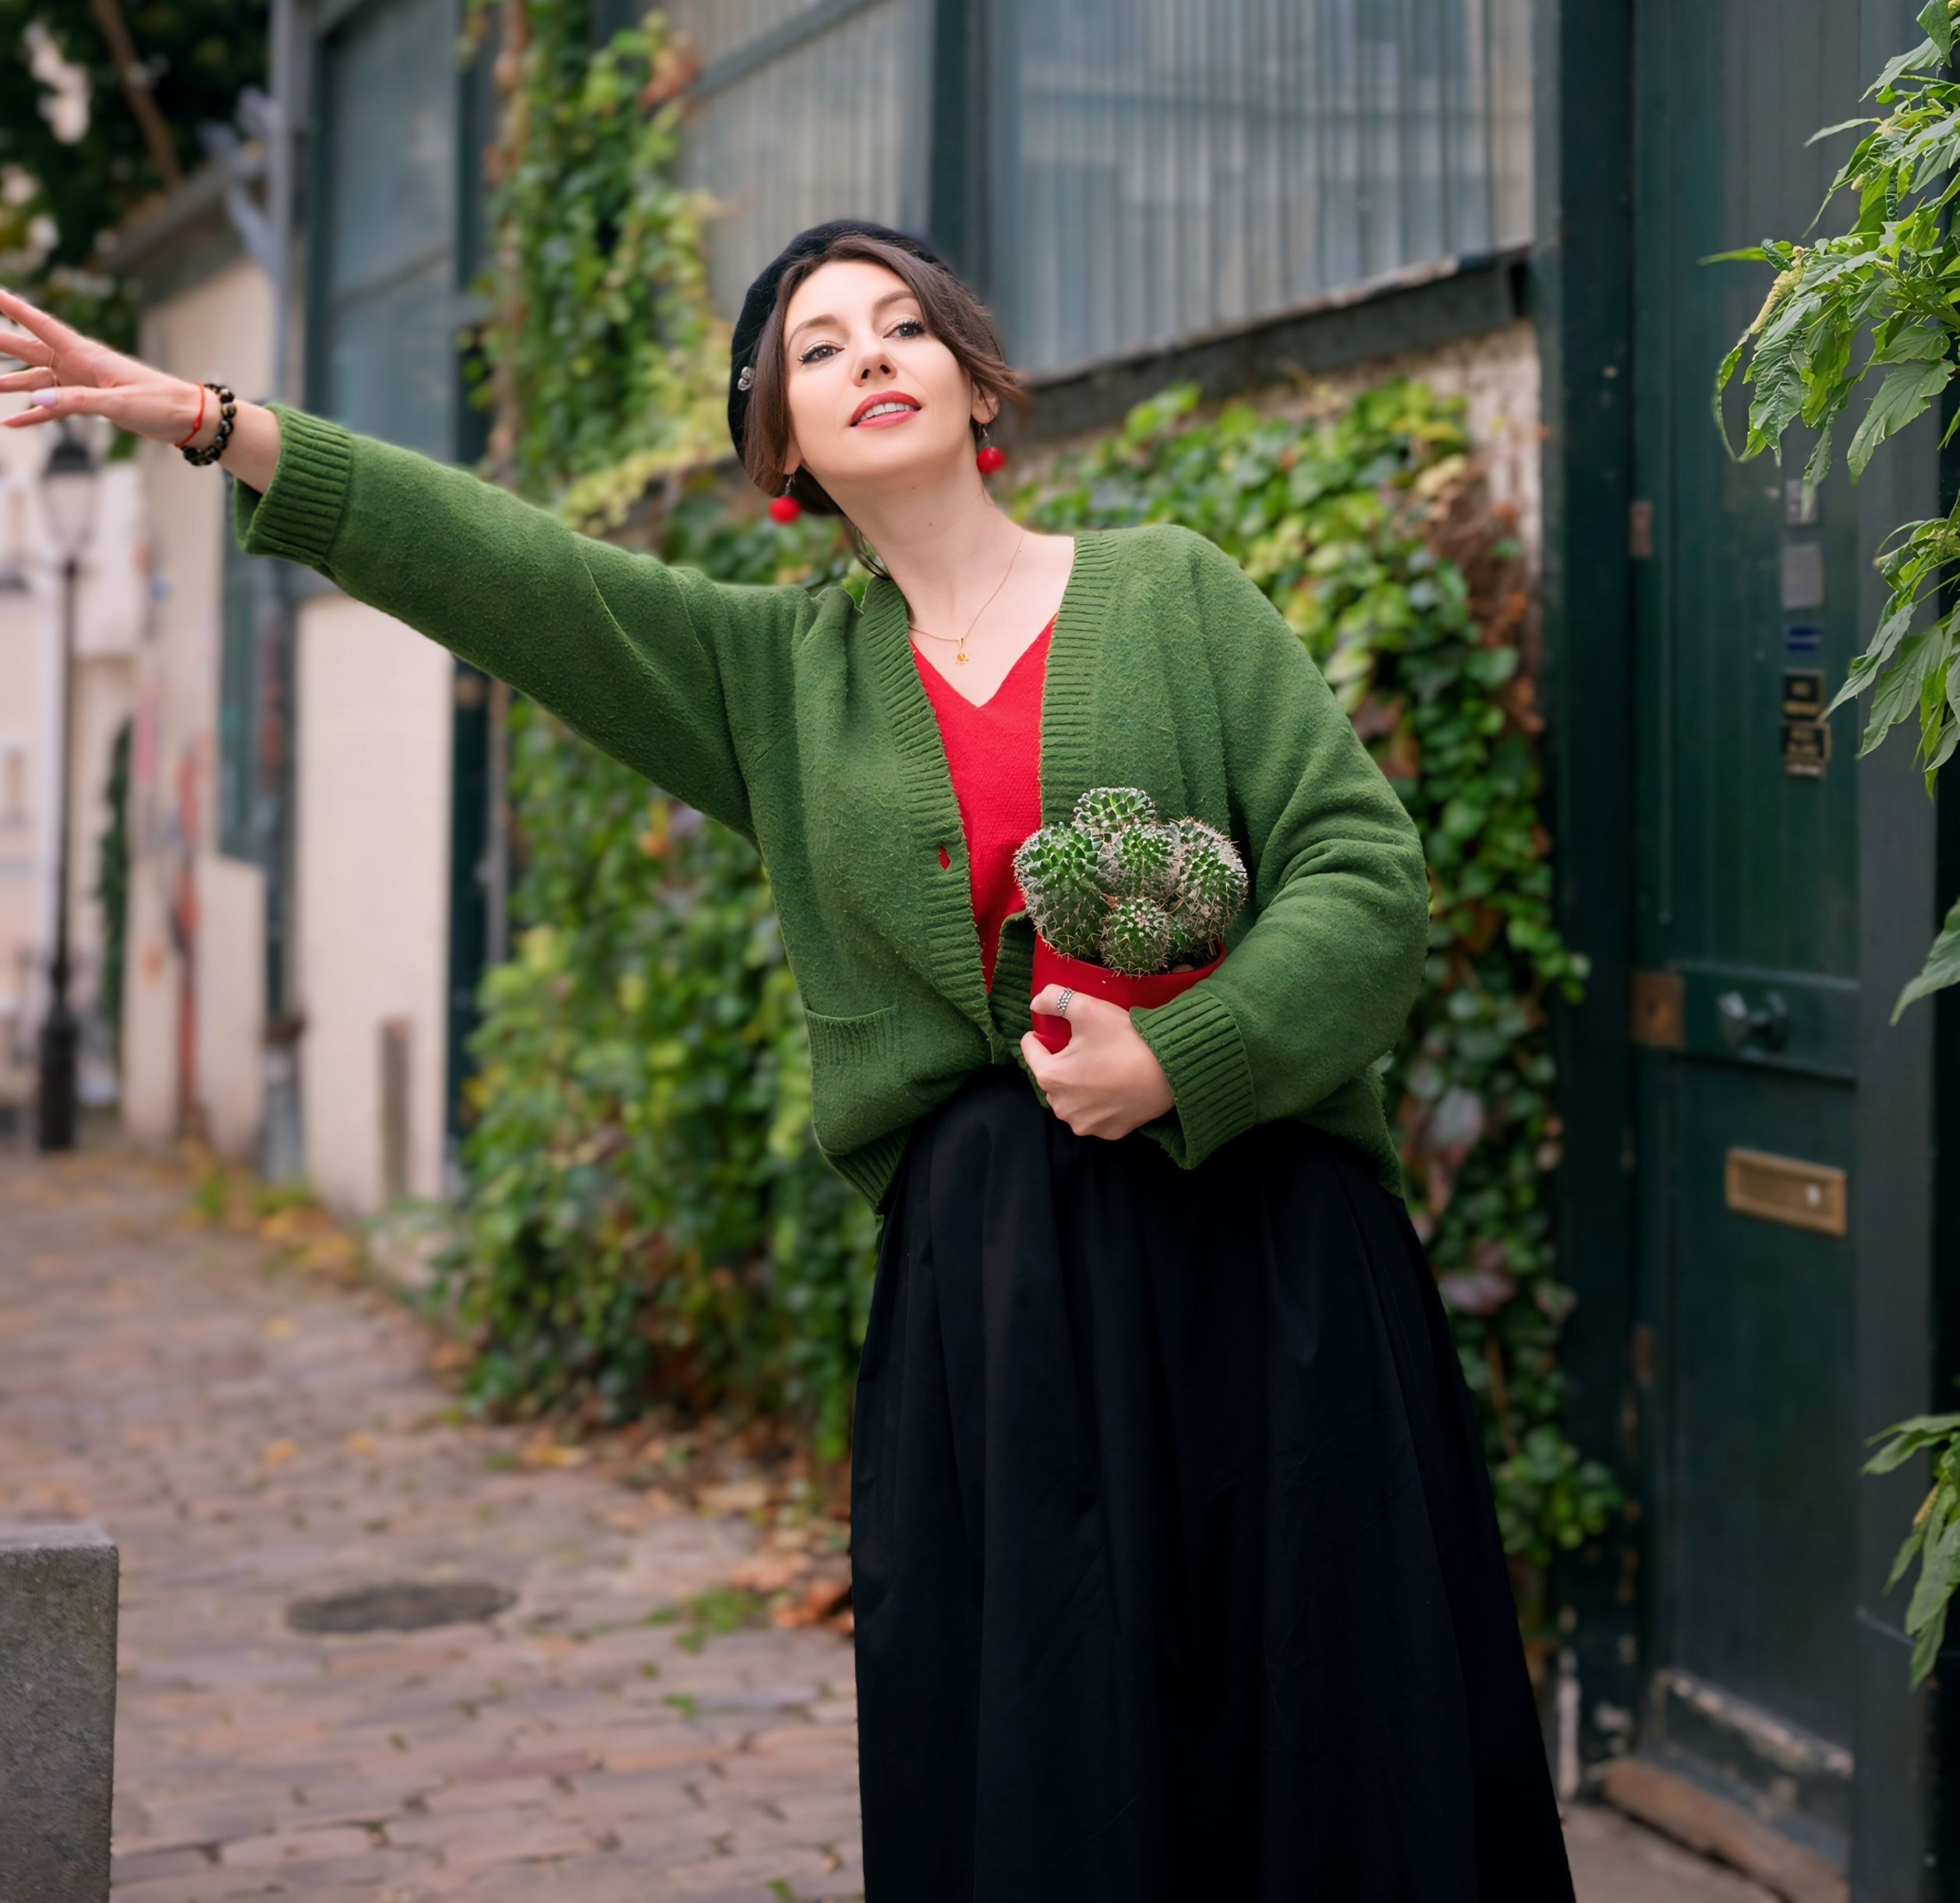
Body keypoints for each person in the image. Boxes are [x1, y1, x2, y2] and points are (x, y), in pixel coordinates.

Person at [0, 225, 1574, 1901]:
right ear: (780, 443)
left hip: (1269, 1265)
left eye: (907, 325)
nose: (872, 355)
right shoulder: (774, 678)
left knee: (1321, 1727)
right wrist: (220, 423)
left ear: (978, 385)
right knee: (1057, 1762)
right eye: (819, 347)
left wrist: (1187, 1050)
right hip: (1003, 1306)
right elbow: (513, 575)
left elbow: (1365, 873)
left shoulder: (1175, 589)